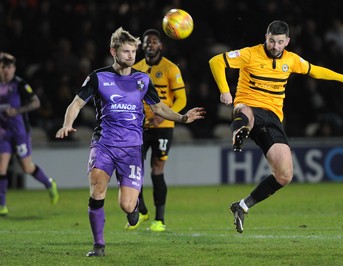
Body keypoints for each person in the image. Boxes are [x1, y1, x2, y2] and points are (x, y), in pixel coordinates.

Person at [55, 27, 204, 257]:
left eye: (133, 51)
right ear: (113, 51)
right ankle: (98, 245)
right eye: (126, 51)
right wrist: (67, 124)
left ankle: (133, 208)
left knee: (126, 205)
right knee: (97, 189)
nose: (131, 56)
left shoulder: (142, 80)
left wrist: (183, 117)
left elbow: (159, 107)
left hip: (132, 148)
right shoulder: (98, 77)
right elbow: (75, 104)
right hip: (104, 144)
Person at [209, 20, 343, 233]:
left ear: (287, 41)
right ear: (266, 36)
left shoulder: (291, 60)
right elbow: (216, 61)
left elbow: (314, 71)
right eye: (272, 41)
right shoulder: (249, 54)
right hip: (248, 105)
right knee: (245, 112)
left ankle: (242, 206)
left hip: (273, 118)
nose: (275, 46)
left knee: (284, 175)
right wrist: (224, 90)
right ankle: (238, 133)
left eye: (280, 42)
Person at [126, 29, 187, 232]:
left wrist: (165, 114)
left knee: (157, 170)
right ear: (142, 46)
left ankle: (159, 219)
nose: (150, 45)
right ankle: (142, 211)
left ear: (160, 45)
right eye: (147, 42)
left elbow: (182, 99)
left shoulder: (170, 68)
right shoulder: (135, 69)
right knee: (135, 171)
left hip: (163, 128)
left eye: (154, 42)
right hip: (140, 128)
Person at [0, 52, 59, 217]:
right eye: (4, 67)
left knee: (26, 167)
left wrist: (17, 111)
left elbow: (36, 102)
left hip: (19, 132)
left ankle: (49, 184)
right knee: (1, 167)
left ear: (14, 69)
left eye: (10, 67)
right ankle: (2, 205)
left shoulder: (19, 84)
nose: (7, 71)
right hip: (3, 133)